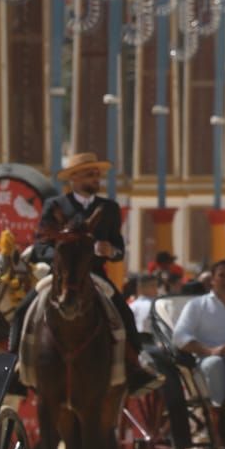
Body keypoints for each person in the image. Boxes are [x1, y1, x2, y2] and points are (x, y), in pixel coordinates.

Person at [20, 151, 154, 392]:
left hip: (94, 274)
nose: (96, 179)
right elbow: (40, 246)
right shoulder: (55, 206)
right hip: (59, 275)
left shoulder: (110, 208)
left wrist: (109, 250)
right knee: (23, 310)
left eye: (97, 174)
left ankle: (136, 365)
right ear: (74, 179)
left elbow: (119, 250)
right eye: (90, 174)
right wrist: (62, 259)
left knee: (124, 311)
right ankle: (14, 367)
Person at [170, 259, 225, 408]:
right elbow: (179, 336)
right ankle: (220, 413)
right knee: (216, 364)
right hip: (209, 361)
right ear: (212, 279)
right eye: (222, 275)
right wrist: (211, 351)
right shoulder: (197, 306)